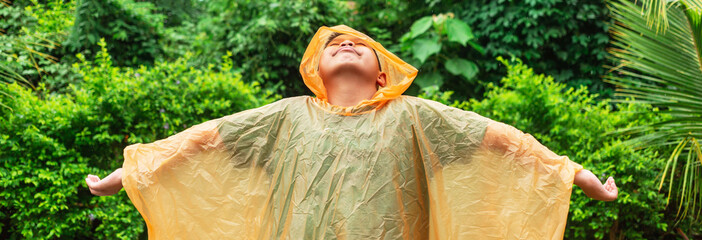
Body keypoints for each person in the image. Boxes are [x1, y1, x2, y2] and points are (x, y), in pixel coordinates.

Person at [85, 25, 617, 239]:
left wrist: (577, 176)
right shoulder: (286, 116)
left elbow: (504, 141)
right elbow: (204, 140)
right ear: (317, 69)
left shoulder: (415, 116)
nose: (343, 44)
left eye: (357, 44)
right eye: (333, 43)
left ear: (381, 74)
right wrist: (128, 173)